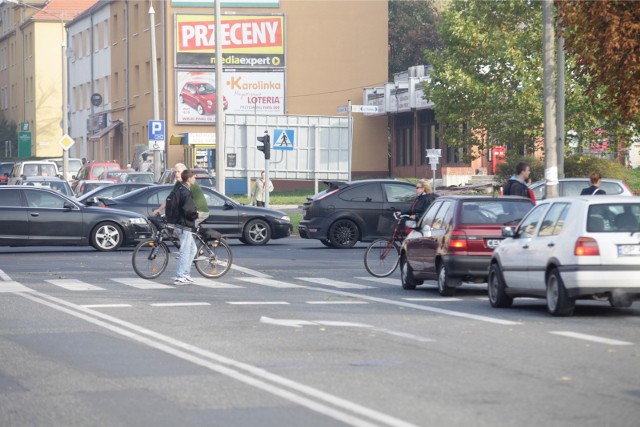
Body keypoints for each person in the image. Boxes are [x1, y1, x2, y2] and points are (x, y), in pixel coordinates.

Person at [171, 169, 199, 285]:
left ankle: (186, 274)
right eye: (193, 177)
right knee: (185, 251)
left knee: (193, 249)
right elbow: (188, 210)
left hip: (181, 224)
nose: (195, 179)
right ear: (189, 179)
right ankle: (180, 276)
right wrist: (196, 215)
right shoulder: (186, 192)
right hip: (184, 225)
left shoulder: (180, 189)